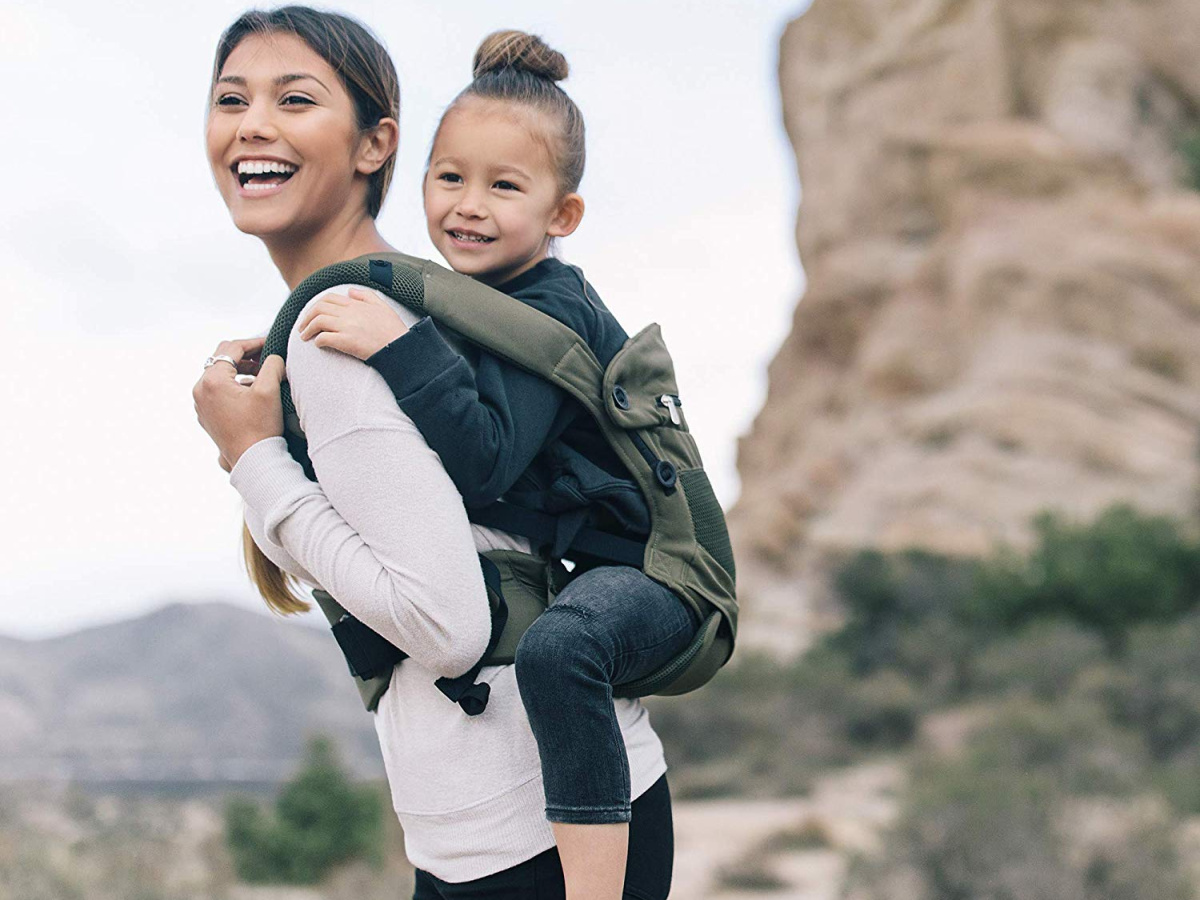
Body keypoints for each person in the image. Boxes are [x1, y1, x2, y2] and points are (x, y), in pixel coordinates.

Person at [190, 9, 674, 899]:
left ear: (377, 145)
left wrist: (254, 461)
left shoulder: (357, 341)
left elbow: (446, 629)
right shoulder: (397, 317)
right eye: (231, 99)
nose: (253, 123)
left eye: (294, 99)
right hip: (491, 832)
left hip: (529, 838)